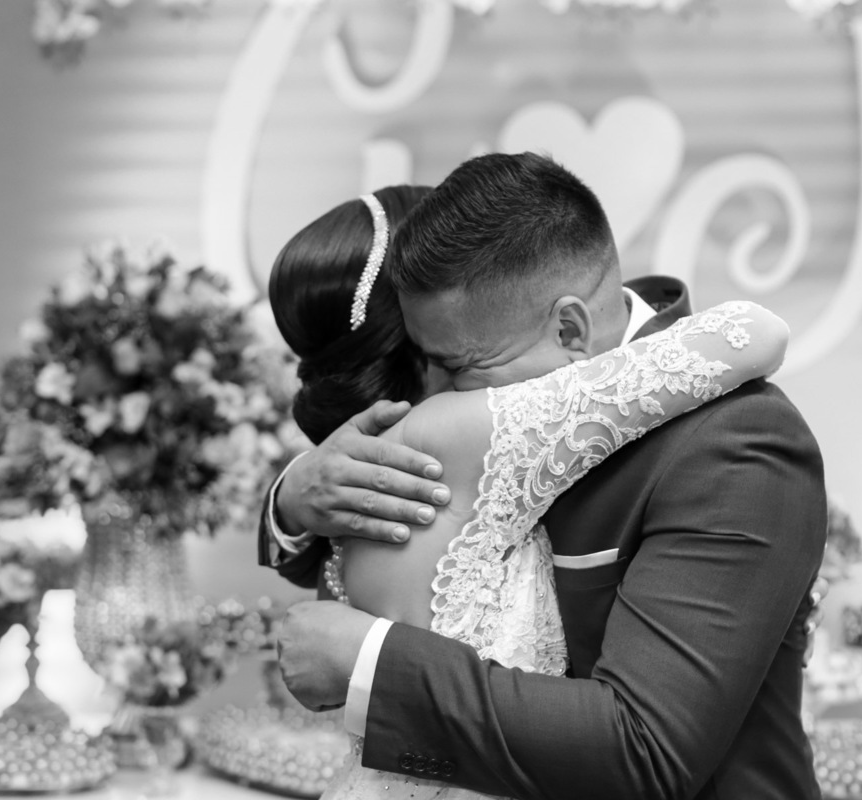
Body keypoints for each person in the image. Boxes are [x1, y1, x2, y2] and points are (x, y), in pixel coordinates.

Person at [265, 154, 828, 800]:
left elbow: (648, 751)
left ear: (569, 327)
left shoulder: (736, 439)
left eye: (459, 365)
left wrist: (370, 660)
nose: (440, 395)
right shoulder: (512, 347)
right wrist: (293, 500)